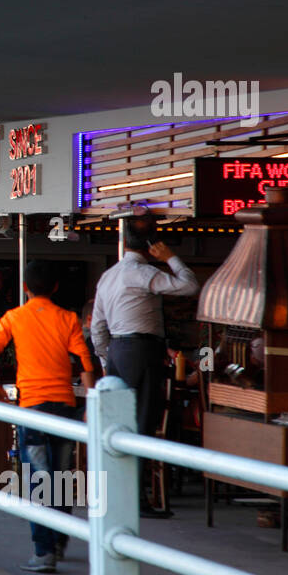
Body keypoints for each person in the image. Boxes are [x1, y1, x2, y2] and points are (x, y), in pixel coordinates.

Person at [0, 260, 97, 573]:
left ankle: (43, 552)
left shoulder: (14, 318)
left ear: (25, 288)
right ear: (56, 287)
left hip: (31, 409)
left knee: (37, 479)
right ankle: (59, 542)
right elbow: (86, 362)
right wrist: (93, 403)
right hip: (63, 407)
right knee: (60, 476)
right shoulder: (68, 318)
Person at [91, 215, 200, 517]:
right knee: (141, 424)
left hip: (116, 351)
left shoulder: (108, 276)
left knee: (115, 426)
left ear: (124, 242)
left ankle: (114, 494)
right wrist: (172, 258)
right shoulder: (143, 273)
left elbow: (98, 327)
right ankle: (135, 500)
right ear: (152, 246)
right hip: (141, 351)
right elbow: (189, 285)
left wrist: (105, 361)